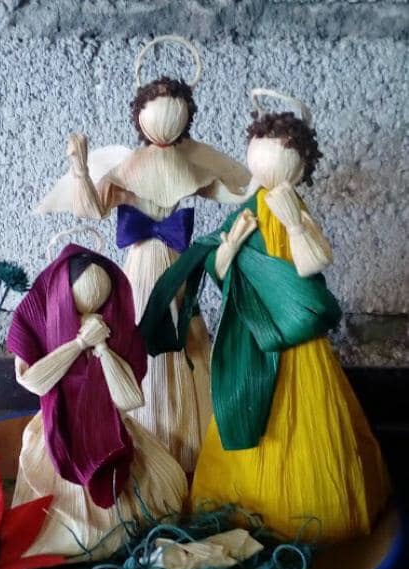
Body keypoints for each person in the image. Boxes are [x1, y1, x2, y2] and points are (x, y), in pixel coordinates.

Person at [140, 89, 391, 542]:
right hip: (254, 336)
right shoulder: (247, 212)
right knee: (248, 405)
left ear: (300, 164)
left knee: (304, 419)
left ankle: (307, 513)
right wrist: (230, 247)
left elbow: (314, 263)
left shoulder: (294, 208)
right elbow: (220, 271)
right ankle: (247, 505)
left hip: (297, 340)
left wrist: (294, 223)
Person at [35, 35, 252, 476]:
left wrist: (259, 183)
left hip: (175, 266)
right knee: (131, 332)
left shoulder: (192, 160)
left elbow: (227, 187)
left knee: (183, 337)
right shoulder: (126, 166)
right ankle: (136, 436)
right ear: (139, 116)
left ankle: (189, 443)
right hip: (139, 269)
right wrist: (80, 169)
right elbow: (93, 209)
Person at [8, 244, 187, 559]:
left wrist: (103, 348)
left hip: (110, 429)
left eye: (99, 303)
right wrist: (78, 343)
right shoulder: (38, 323)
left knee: (165, 485)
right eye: (78, 307)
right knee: (66, 521)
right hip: (59, 430)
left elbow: (129, 398)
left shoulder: (116, 333)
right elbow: (36, 381)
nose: (88, 312)